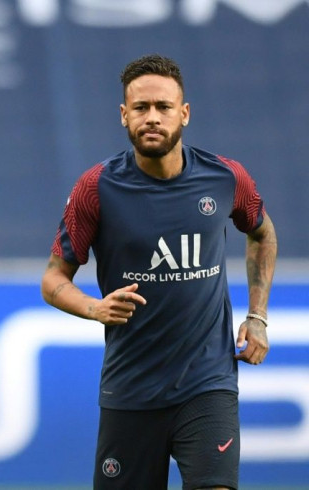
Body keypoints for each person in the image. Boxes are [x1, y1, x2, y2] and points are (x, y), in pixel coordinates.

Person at [41, 54, 277, 490]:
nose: (152, 117)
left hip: (208, 385)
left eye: (163, 107)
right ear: (123, 116)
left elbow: (262, 234)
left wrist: (257, 316)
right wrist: (95, 308)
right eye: (140, 108)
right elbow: (54, 280)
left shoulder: (225, 178)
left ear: (183, 113)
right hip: (131, 390)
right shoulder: (96, 188)